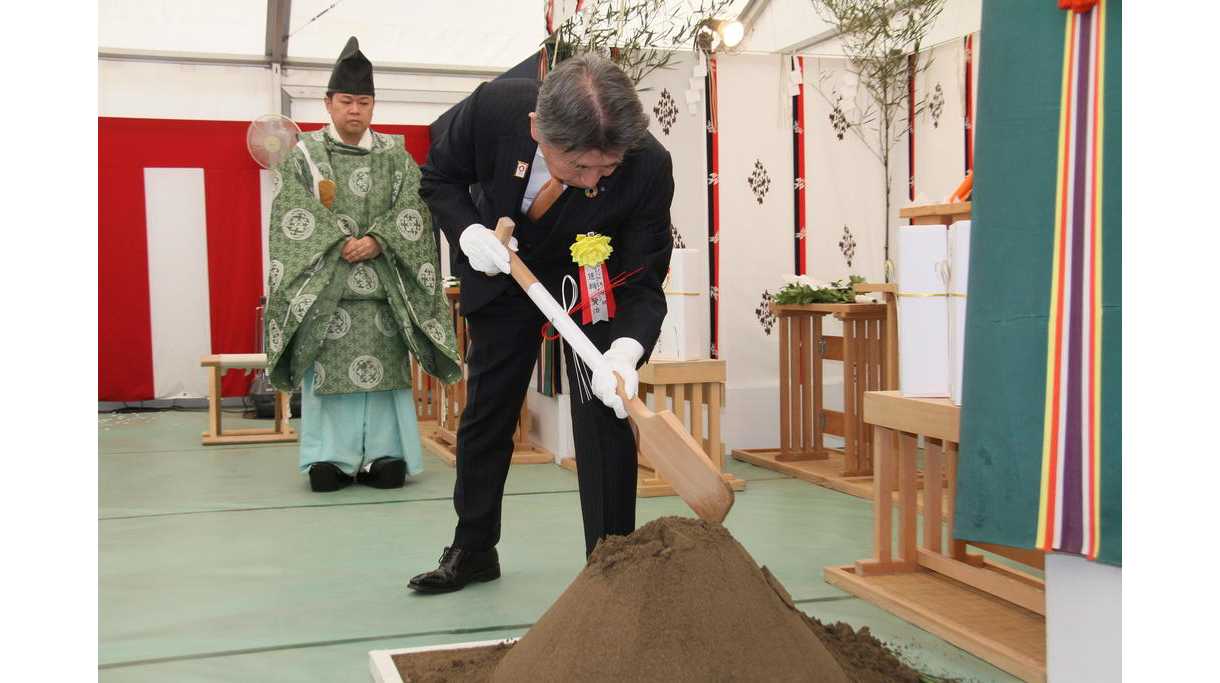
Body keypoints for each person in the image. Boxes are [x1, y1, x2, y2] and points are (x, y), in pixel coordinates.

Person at [408, 54, 674, 594]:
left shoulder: (647, 164)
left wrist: (625, 349)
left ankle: (611, 561)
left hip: (591, 274)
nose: (593, 179)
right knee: (489, 406)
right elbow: (439, 177)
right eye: (578, 168)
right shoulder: (493, 110)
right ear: (536, 128)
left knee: (605, 404)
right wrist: (466, 234)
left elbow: (644, 277)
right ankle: (474, 545)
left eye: (607, 168)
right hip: (504, 262)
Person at [264, 36, 461, 493]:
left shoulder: (395, 155)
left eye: (364, 102)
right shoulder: (304, 156)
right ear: (328, 103)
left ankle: (385, 455)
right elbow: (292, 215)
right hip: (328, 297)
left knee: (385, 380)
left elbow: (415, 207)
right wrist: (338, 242)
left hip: (381, 294)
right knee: (327, 380)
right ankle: (328, 458)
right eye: (347, 101)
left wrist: (378, 239)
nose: (355, 110)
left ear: (373, 105)